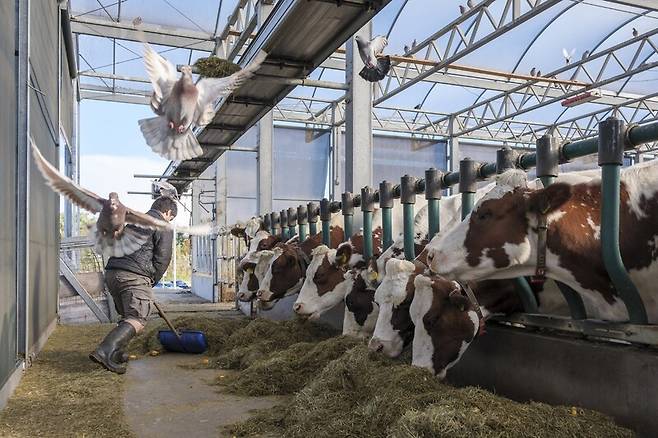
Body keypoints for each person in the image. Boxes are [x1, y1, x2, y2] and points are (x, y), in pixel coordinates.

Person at [89, 196, 177, 374]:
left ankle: (116, 353)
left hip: (113, 273)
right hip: (134, 276)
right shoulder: (162, 225)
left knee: (127, 317)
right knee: (137, 318)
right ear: (168, 213)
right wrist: (151, 282)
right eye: (171, 218)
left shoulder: (134, 221)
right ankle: (104, 351)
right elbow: (162, 259)